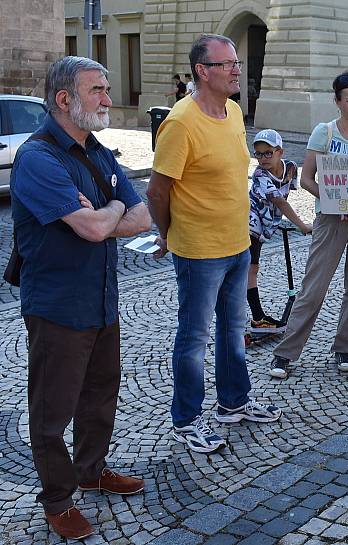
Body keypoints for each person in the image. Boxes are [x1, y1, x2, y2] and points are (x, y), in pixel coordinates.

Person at [10, 56, 152, 540]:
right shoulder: (38, 158)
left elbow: (142, 217)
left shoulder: (98, 151)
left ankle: (92, 469)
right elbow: (94, 228)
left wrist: (106, 209)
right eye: (98, 91)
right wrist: (110, 212)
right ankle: (57, 500)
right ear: (65, 99)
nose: (108, 100)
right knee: (53, 410)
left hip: (102, 301)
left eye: (108, 89)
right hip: (57, 308)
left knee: (99, 395)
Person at [147, 34, 282, 454]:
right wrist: (168, 235)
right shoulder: (181, 122)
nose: (237, 69)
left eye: (236, 62)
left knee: (233, 329)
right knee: (194, 337)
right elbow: (157, 191)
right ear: (203, 71)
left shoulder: (235, 111)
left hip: (237, 243)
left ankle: (233, 403)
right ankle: (185, 419)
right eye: (227, 64)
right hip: (199, 250)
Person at [269, 70, 348, 379]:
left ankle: (345, 347)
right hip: (331, 218)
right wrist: (338, 201)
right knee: (314, 287)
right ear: (337, 102)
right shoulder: (325, 132)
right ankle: (285, 353)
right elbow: (307, 179)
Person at [247, 128, 312, 332]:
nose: (263, 158)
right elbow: (279, 201)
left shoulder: (291, 168)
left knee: (249, 269)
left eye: (268, 152)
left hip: (267, 223)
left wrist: (278, 221)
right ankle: (258, 318)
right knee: (251, 269)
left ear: (280, 152)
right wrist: (301, 225)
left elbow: (285, 195)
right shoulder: (259, 174)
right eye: (258, 153)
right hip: (249, 221)